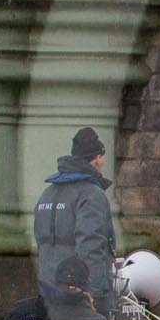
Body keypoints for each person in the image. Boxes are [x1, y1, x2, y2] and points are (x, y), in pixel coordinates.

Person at [34, 126, 117, 307]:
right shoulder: (91, 194)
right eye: (102, 157)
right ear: (97, 159)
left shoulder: (47, 194)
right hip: (78, 298)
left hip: (48, 294)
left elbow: (42, 245)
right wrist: (95, 297)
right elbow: (91, 247)